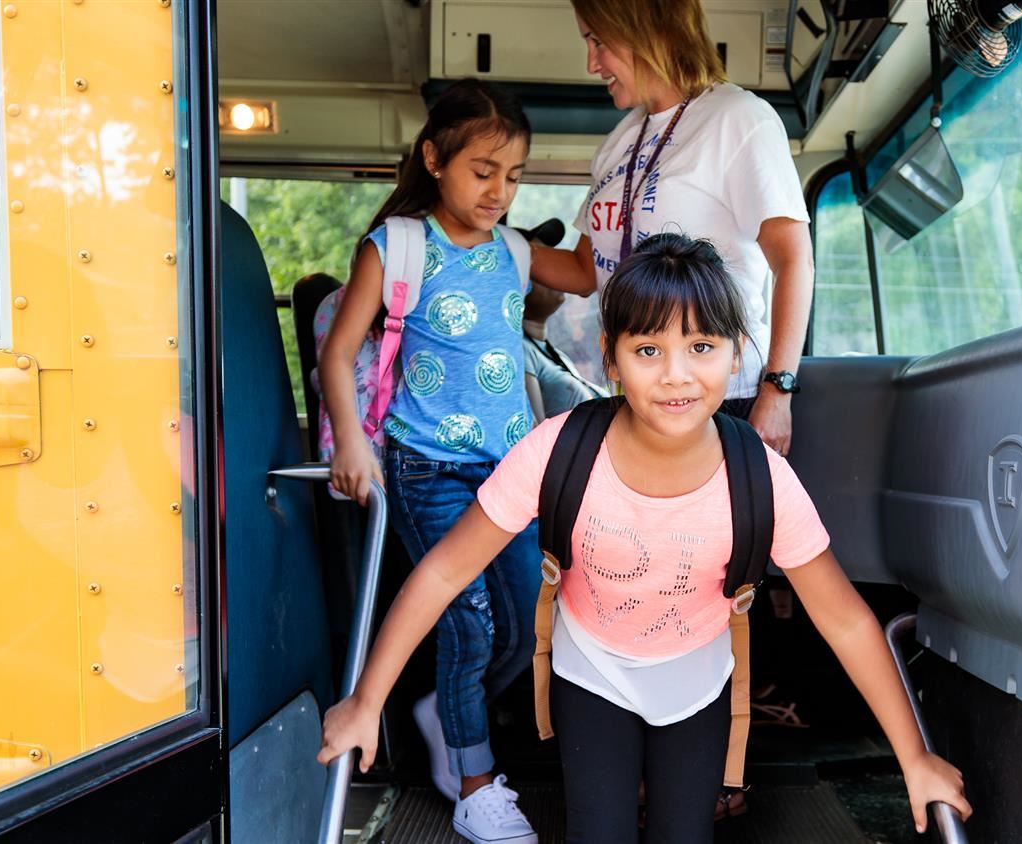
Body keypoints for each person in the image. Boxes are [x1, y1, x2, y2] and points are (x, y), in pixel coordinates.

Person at [318, 235, 971, 843]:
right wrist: (365, 700)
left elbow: (848, 623)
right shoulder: (557, 450)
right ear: (612, 357)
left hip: (698, 680)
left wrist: (913, 758)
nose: (677, 376)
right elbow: (442, 573)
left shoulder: (760, 478)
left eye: (702, 348)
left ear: (737, 353)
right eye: (648, 350)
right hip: (591, 670)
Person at [316, 78, 546, 844]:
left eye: (513, 177)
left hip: (512, 478)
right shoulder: (400, 245)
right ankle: (476, 785)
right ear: (435, 159)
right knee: (471, 629)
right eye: (484, 171)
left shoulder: (514, 251)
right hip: (429, 471)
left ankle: (438, 706)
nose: (499, 192)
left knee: (517, 632)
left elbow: (591, 271)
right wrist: (353, 441)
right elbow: (338, 350)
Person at [528, 0, 814, 455]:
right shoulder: (618, 143)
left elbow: (794, 258)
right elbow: (586, 269)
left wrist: (778, 390)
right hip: (640, 389)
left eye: (598, 41)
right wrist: (494, 241)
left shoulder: (737, 118)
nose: (591, 63)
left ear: (646, 29)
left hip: (723, 393)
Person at [522, 281, 607, 422]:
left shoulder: (559, 356)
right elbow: (535, 428)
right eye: (539, 277)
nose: (553, 279)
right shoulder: (522, 351)